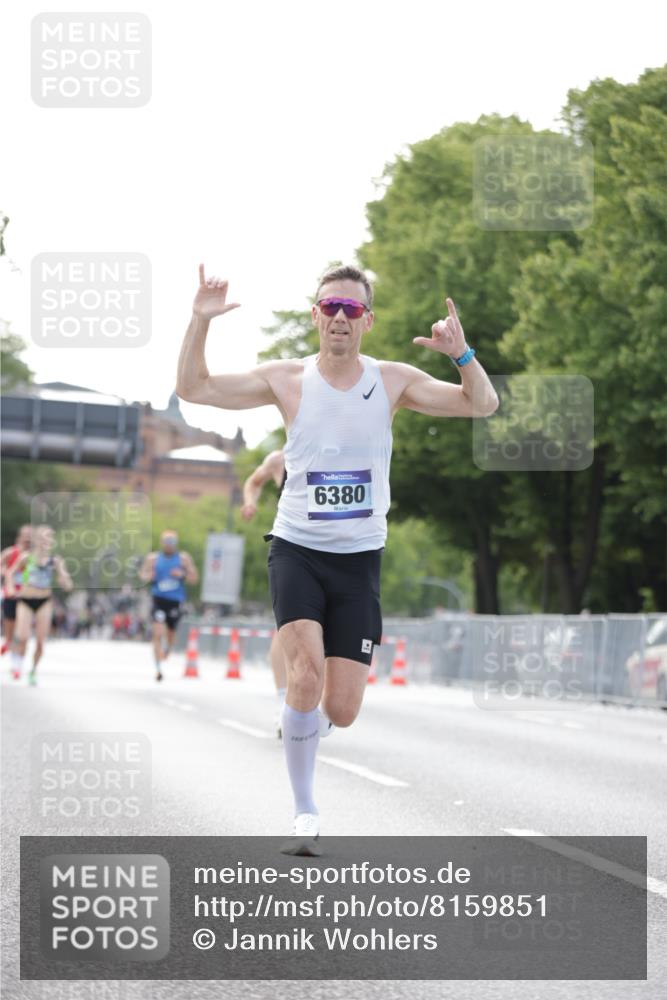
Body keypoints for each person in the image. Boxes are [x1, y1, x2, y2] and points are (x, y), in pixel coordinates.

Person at [176, 262, 498, 854]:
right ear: (316, 315)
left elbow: (482, 405)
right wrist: (199, 323)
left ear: (368, 320)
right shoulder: (288, 380)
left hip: (359, 560)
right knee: (304, 674)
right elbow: (194, 389)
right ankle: (304, 811)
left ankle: (304, 725)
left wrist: (463, 354)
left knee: (342, 709)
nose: (340, 319)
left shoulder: (393, 381)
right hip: (296, 548)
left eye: (352, 310)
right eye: (330, 307)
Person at [241, 449, 288, 737]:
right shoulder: (279, 459)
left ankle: (314, 700)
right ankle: (284, 701)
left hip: (337, 550)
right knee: (287, 626)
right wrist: (250, 503)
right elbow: (254, 482)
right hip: (291, 548)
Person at [7, 524, 73, 684]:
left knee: (40, 641)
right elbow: (11, 572)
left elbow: (66, 582)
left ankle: (33, 671)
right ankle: (18, 663)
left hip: (44, 601)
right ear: (36, 540)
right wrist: (10, 588)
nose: (46, 541)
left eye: (49, 538)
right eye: (43, 538)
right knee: (22, 637)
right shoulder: (26, 557)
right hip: (26, 600)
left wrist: (65, 580)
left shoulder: (55, 561)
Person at [139, 530, 198, 681]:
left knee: (170, 634)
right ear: (162, 543)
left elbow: (194, 578)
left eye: (172, 543)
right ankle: (158, 669)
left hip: (175, 601)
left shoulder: (183, 559)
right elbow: (142, 575)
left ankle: (168, 649)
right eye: (166, 542)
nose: (169, 545)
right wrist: (149, 576)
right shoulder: (153, 558)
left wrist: (182, 575)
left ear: (176, 544)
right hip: (158, 599)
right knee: (157, 632)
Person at [1, 524, 32, 656]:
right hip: (11, 595)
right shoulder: (10, 552)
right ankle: (8, 644)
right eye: (26, 534)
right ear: (20, 536)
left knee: (22, 632)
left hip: (27, 596)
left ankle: (17, 664)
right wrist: (8, 573)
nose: (28, 538)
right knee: (10, 633)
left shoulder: (34, 555)